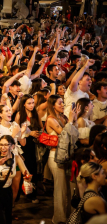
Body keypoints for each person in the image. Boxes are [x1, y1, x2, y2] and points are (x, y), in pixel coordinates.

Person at [46, 94, 79, 223]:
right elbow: (64, 134)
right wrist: (70, 121)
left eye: (63, 102)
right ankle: (59, 219)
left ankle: (72, 217)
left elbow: (74, 134)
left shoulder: (64, 117)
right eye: (59, 103)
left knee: (71, 188)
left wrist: (74, 119)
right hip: (55, 157)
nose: (62, 105)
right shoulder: (51, 119)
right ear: (52, 105)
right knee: (60, 190)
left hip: (67, 156)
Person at [0, 135, 32, 224]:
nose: (3, 147)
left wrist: (27, 178)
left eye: (6, 145)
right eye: (1, 145)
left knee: (8, 220)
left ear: (12, 146)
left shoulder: (16, 158)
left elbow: (26, 172)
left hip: (7, 193)